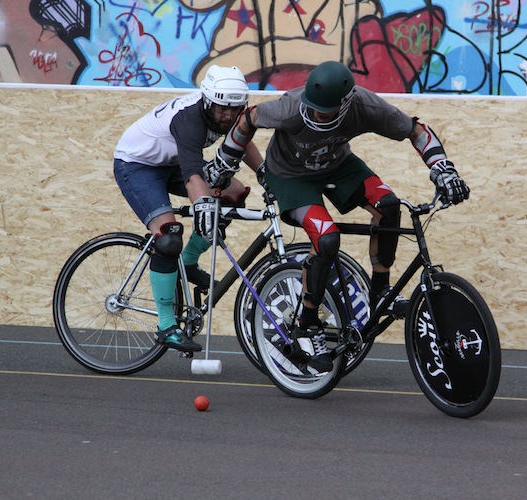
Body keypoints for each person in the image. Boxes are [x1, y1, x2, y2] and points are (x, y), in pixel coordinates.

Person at [206, 60, 469, 373]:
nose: (316, 116)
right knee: (327, 237)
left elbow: (416, 130)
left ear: (345, 104)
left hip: (338, 166)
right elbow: (246, 121)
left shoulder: (365, 105)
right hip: (290, 176)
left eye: (325, 112)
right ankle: (307, 322)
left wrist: (443, 169)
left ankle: (380, 292)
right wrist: (224, 163)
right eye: (312, 109)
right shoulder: (290, 107)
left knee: (389, 205)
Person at [113, 65, 263, 353]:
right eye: (222, 110)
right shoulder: (190, 120)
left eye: (235, 110)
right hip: (137, 166)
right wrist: (204, 205)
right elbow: (194, 173)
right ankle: (167, 325)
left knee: (233, 192)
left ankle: (190, 262)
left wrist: (265, 173)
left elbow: (242, 140)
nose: (228, 116)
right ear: (207, 101)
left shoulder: (227, 111)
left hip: (170, 164)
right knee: (169, 236)